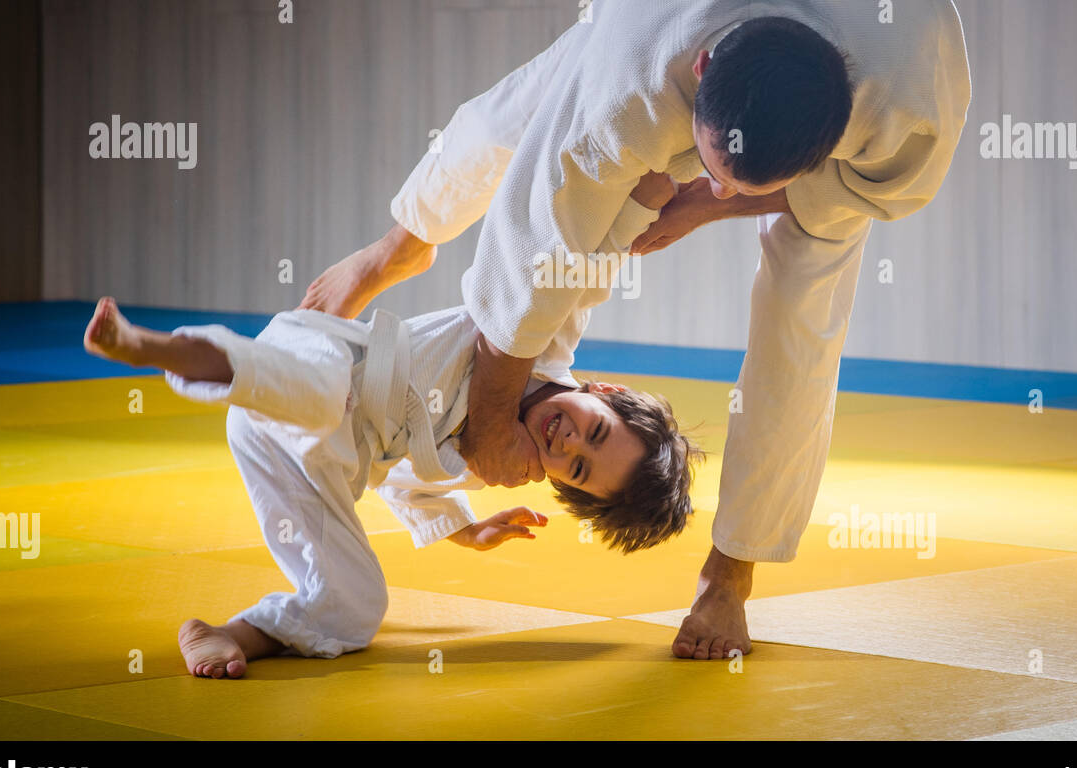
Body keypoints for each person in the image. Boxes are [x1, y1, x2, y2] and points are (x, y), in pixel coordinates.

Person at [302, 0, 972, 661]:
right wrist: (488, 419)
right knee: (514, 114)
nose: (713, 190)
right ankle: (392, 247)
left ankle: (731, 576)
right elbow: (532, 241)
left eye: (744, 185)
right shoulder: (631, 70)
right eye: (712, 170)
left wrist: (704, 202)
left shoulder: (909, 89)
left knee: (807, 305)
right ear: (699, 74)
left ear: (837, 136)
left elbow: (878, 193)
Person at [82, 172, 702, 678]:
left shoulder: (497, 465)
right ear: (606, 392)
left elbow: (403, 482)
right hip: (320, 366)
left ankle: (230, 632)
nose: (569, 444)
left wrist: (463, 529)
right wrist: (643, 204)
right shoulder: (543, 343)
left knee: (359, 607)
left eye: (579, 469)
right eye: (594, 431)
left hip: (304, 459)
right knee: (323, 394)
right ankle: (152, 347)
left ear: (563, 486)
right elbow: (586, 273)